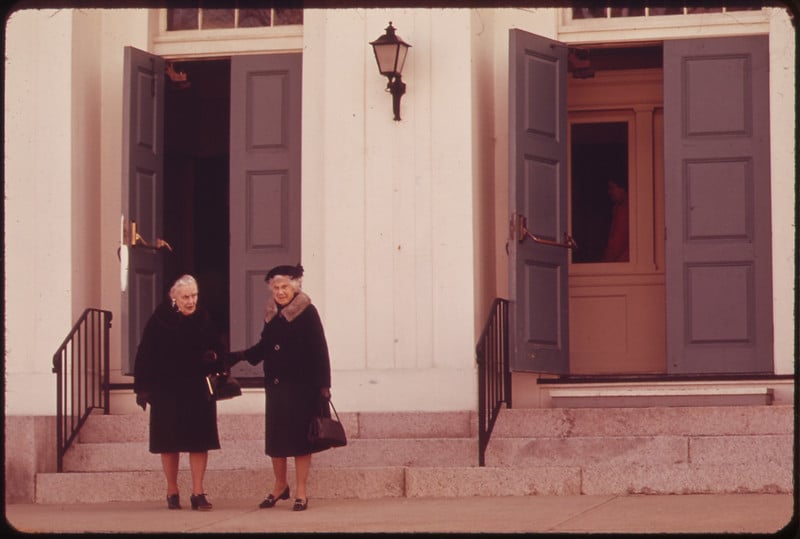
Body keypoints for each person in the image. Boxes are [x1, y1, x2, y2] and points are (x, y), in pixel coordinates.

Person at [224, 263, 332, 512]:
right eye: (276, 287)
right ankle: (279, 486)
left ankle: (301, 491)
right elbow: (266, 344)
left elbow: (320, 350)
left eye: (285, 286)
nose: (281, 292)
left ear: (295, 286)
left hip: (302, 387)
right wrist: (241, 355)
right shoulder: (271, 312)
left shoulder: (307, 311)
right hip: (276, 386)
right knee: (276, 440)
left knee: (301, 440)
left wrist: (324, 386)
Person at [133, 274, 224, 511]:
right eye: (186, 296)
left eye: (194, 295)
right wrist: (143, 388)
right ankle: (172, 491)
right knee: (169, 442)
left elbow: (217, 347)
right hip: (167, 390)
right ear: (173, 296)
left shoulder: (203, 317)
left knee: (199, 441)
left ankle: (198, 492)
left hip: (197, 389)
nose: (191, 301)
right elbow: (144, 355)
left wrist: (215, 360)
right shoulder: (159, 319)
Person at [602, 178, 630, 262]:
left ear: (623, 189)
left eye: (612, 188)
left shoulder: (626, 209)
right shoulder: (618, 207)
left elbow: (618, 242)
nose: (609, 192)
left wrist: (607, 262)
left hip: (621, 262)